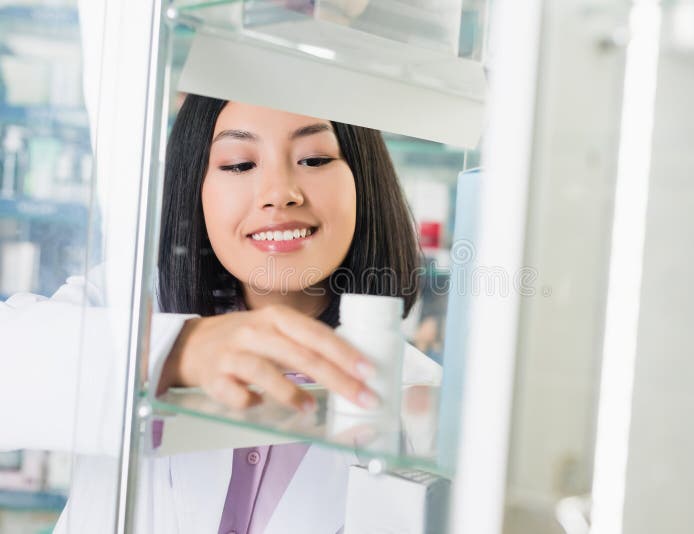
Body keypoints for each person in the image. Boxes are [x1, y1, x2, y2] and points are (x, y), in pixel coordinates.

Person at [0, 95, 440, 533]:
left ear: (364, 181)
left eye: (314, 158)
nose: (279, 194)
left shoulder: (424, 400)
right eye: (239, 165)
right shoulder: (124, 300)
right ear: (195, 185)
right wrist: (178, 351)